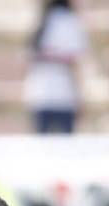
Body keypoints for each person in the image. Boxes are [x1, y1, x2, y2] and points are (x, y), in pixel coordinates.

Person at [25, 1, 88, 134]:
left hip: (40, 95)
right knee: (67, 149)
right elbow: (75, 63)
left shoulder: (41, 20)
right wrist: (81, 97)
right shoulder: (71, 23)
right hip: (65, 96)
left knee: (41, 149)